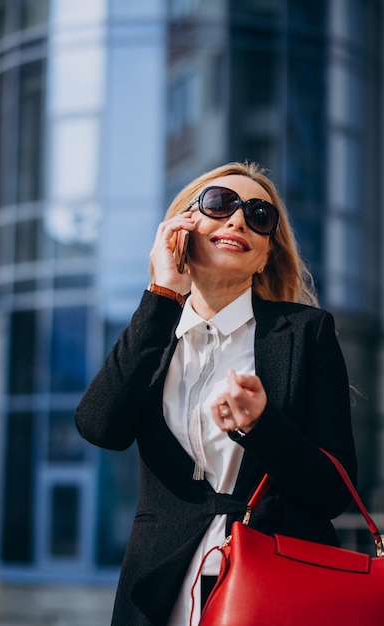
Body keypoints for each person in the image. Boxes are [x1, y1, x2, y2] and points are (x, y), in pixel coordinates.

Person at [75, 160, 357, 626]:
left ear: (266, 254)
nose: (239, 219)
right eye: (221, 204)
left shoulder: (307, 334)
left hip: (275, 589)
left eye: (259, 215)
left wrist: (262, 426)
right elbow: (99, 427)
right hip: (157, 593)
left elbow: (334, 491)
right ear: (184, 228)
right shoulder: (155, 330)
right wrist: (163, 291)